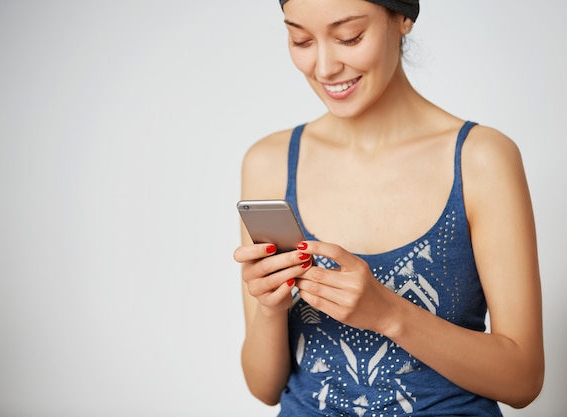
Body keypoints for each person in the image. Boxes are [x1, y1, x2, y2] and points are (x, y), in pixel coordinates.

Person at [233, 0, 544, 415]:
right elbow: (264, 387)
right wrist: (271, 308)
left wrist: (390, 314)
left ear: (402, 19)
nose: (324, 67)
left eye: (349, 37)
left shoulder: (480, 159)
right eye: (301, 39)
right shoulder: (269, 163)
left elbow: (523, 380)